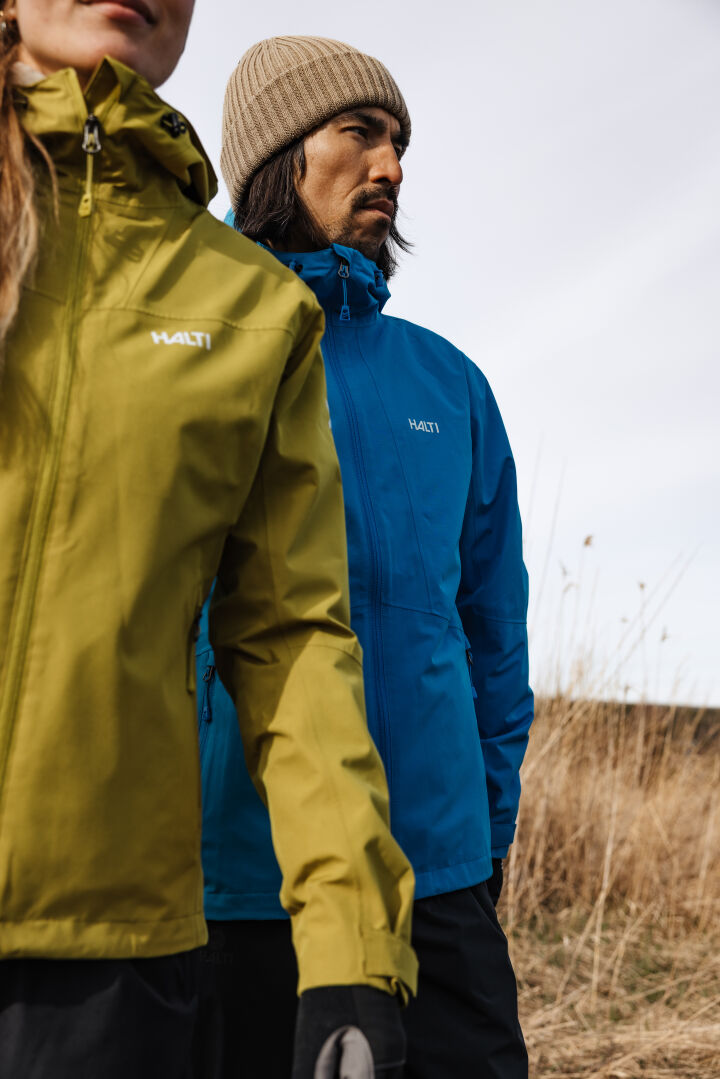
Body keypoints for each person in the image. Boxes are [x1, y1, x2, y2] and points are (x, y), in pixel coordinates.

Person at [0, 10, 417, 1079]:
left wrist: (353, 946)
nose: (391, 167)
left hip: (113, 964)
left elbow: (294, 637)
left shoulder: (248, 306)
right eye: (360, 132)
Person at [195, 34, 534, 1079]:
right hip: (241, 881)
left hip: (439, 874)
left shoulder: (450, 383)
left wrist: (482, 828)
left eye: (400, 144)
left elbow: (494, 633)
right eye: (361, 133)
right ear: (278, 153)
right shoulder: (195, 352)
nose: (390, 166)